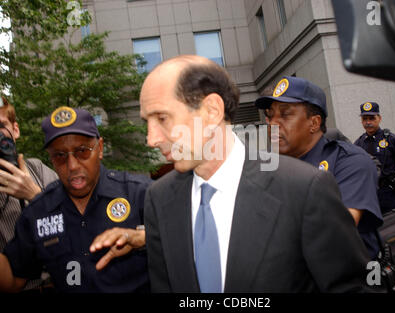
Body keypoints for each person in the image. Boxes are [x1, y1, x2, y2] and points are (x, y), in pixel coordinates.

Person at [92, 55, 374, 293]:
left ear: (212, 110)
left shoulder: (303, 188)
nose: (151, 138)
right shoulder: (159, 198)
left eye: (162, 118)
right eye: (147, 123)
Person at [0, 106, 152, 293]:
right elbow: (13, 280)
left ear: (100, 148)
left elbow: (187, 246)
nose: (72, 165)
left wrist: (143, 238)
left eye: (82, 151)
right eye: (60, 155)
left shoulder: (141, 194)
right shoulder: (38, 212)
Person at [255, 76, 383, 259]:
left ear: (314, 123)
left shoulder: (349, 161)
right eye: (269, 116)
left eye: (285, 114)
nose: (273, 124)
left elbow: (335, 232)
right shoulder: (270, 168)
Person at [0, 95, 58, 291]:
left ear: (15, 130)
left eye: (1, 126)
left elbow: (75, 222)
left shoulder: (37, 169)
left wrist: (34, 195)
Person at [354, 102, 395, 214]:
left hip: (390, 192)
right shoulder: (358, 144)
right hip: (370, 195)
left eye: (372, 118)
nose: (368, 122)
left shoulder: (390, 139)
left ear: (379, 118)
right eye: (365, 119)